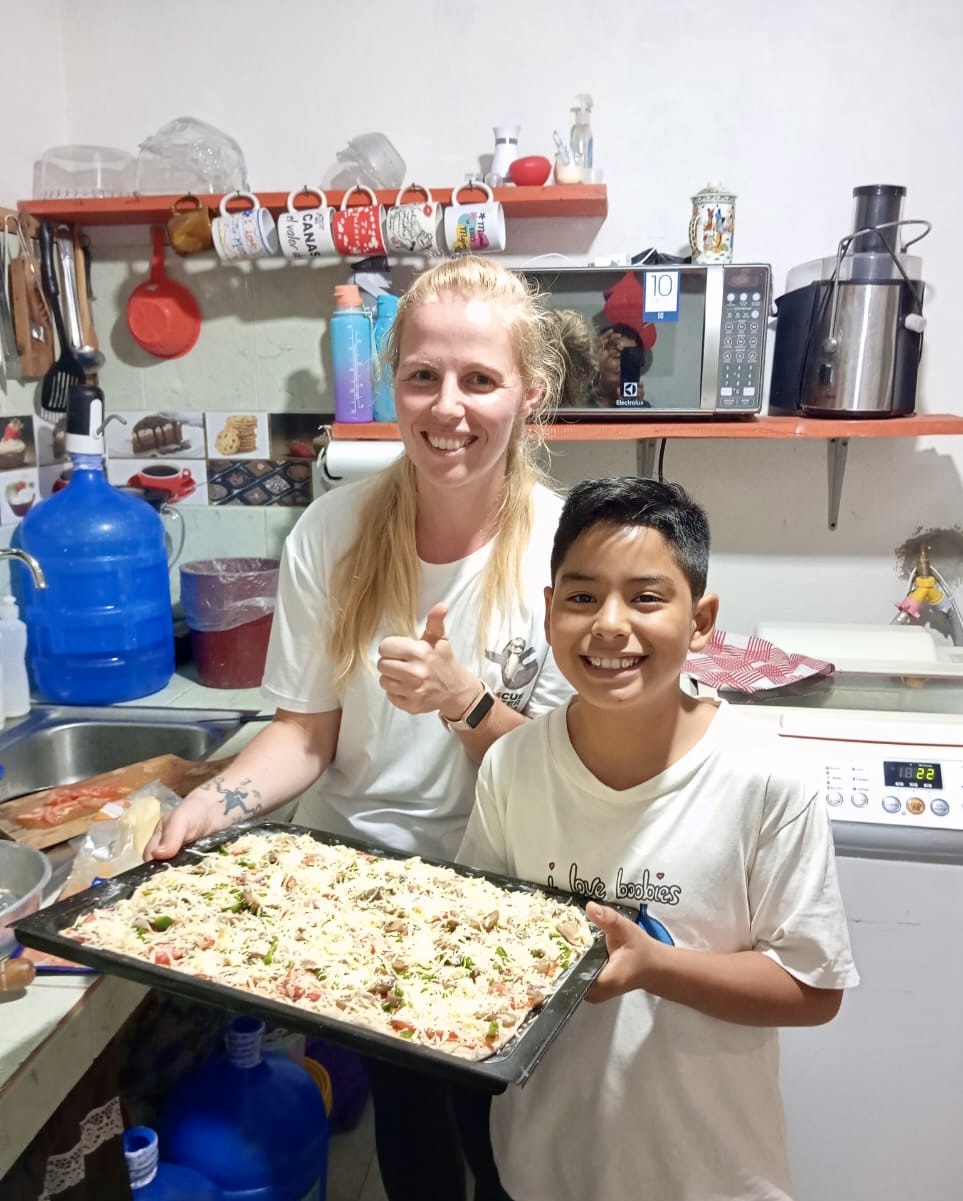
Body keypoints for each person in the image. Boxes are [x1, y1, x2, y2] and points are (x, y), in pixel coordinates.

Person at [146, 255, 574, 1201]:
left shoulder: (568, 546)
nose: (446, 406)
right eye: (422, 375)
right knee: (414, 1132)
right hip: (362, 897)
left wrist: (465, 702)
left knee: (507, 1140)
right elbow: (306, 733)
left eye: (479, 379)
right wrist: (212, 801)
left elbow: (573, 778)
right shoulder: (329, 535)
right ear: (393, 384)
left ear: (528, 393)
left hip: (504, 895)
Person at [457, 476, 860, 1201]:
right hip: (541, 1162)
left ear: (700, 620)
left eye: (645, 597)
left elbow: (811, 985)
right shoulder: (513, 765)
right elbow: (475, 937)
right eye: (581, 596)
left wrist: (652, 966)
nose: (609, 625)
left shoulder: (765, 780)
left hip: (706, 1172)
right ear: (549, 613)